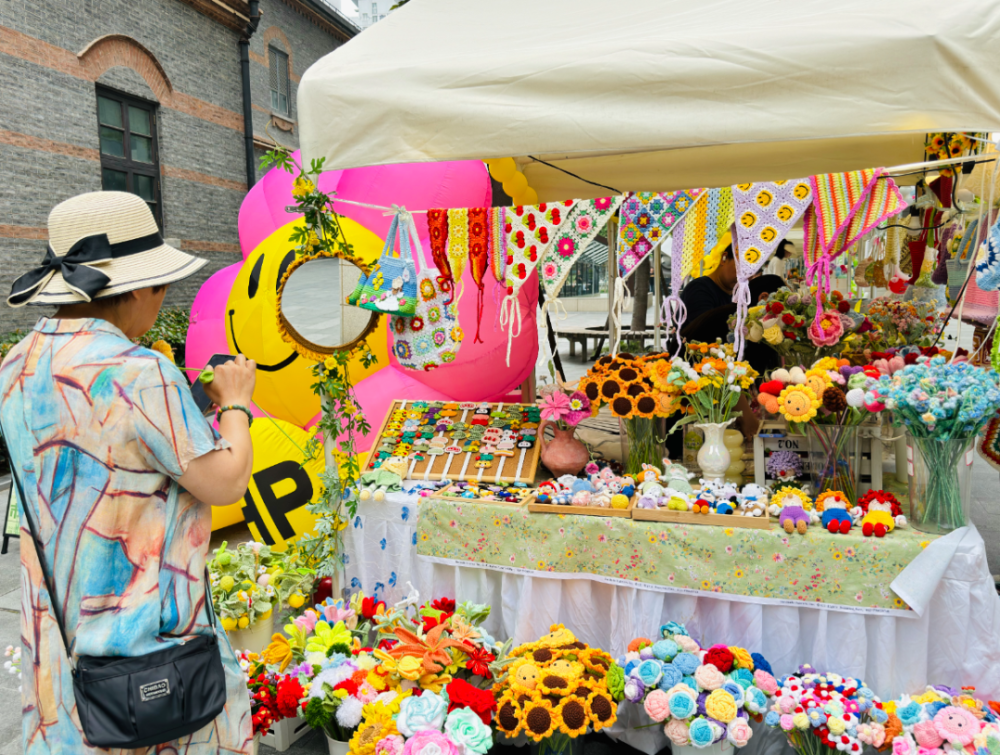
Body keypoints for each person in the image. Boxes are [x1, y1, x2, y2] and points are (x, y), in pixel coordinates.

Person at [0, 192, 257, 754]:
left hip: (62, 647)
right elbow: (227, 481)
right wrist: (235, 402)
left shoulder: (15, 365)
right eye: (161, 288)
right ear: (138, 288)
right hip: (150, 654)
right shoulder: (142, 372)